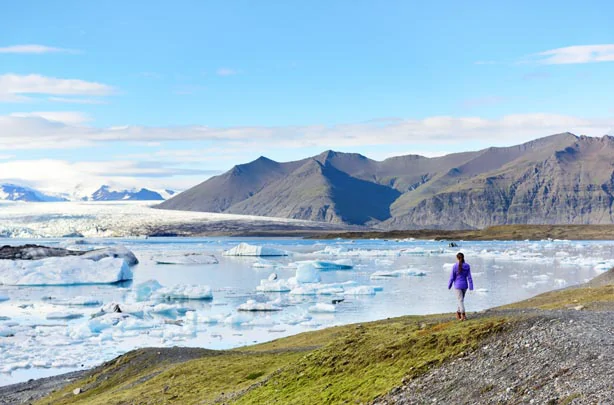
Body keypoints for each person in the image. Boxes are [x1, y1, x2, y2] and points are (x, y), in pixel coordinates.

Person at [448, 252, 473, 321]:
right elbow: (469, 277)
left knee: (460, 300)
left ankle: (463, 315)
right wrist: (471, 286)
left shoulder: (455, 266)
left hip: (457, 286)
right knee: (461, 300)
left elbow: (452, 277)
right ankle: (458, 313)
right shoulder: (467, 266)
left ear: (457, 258)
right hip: (465, 286)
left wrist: (449, 285)